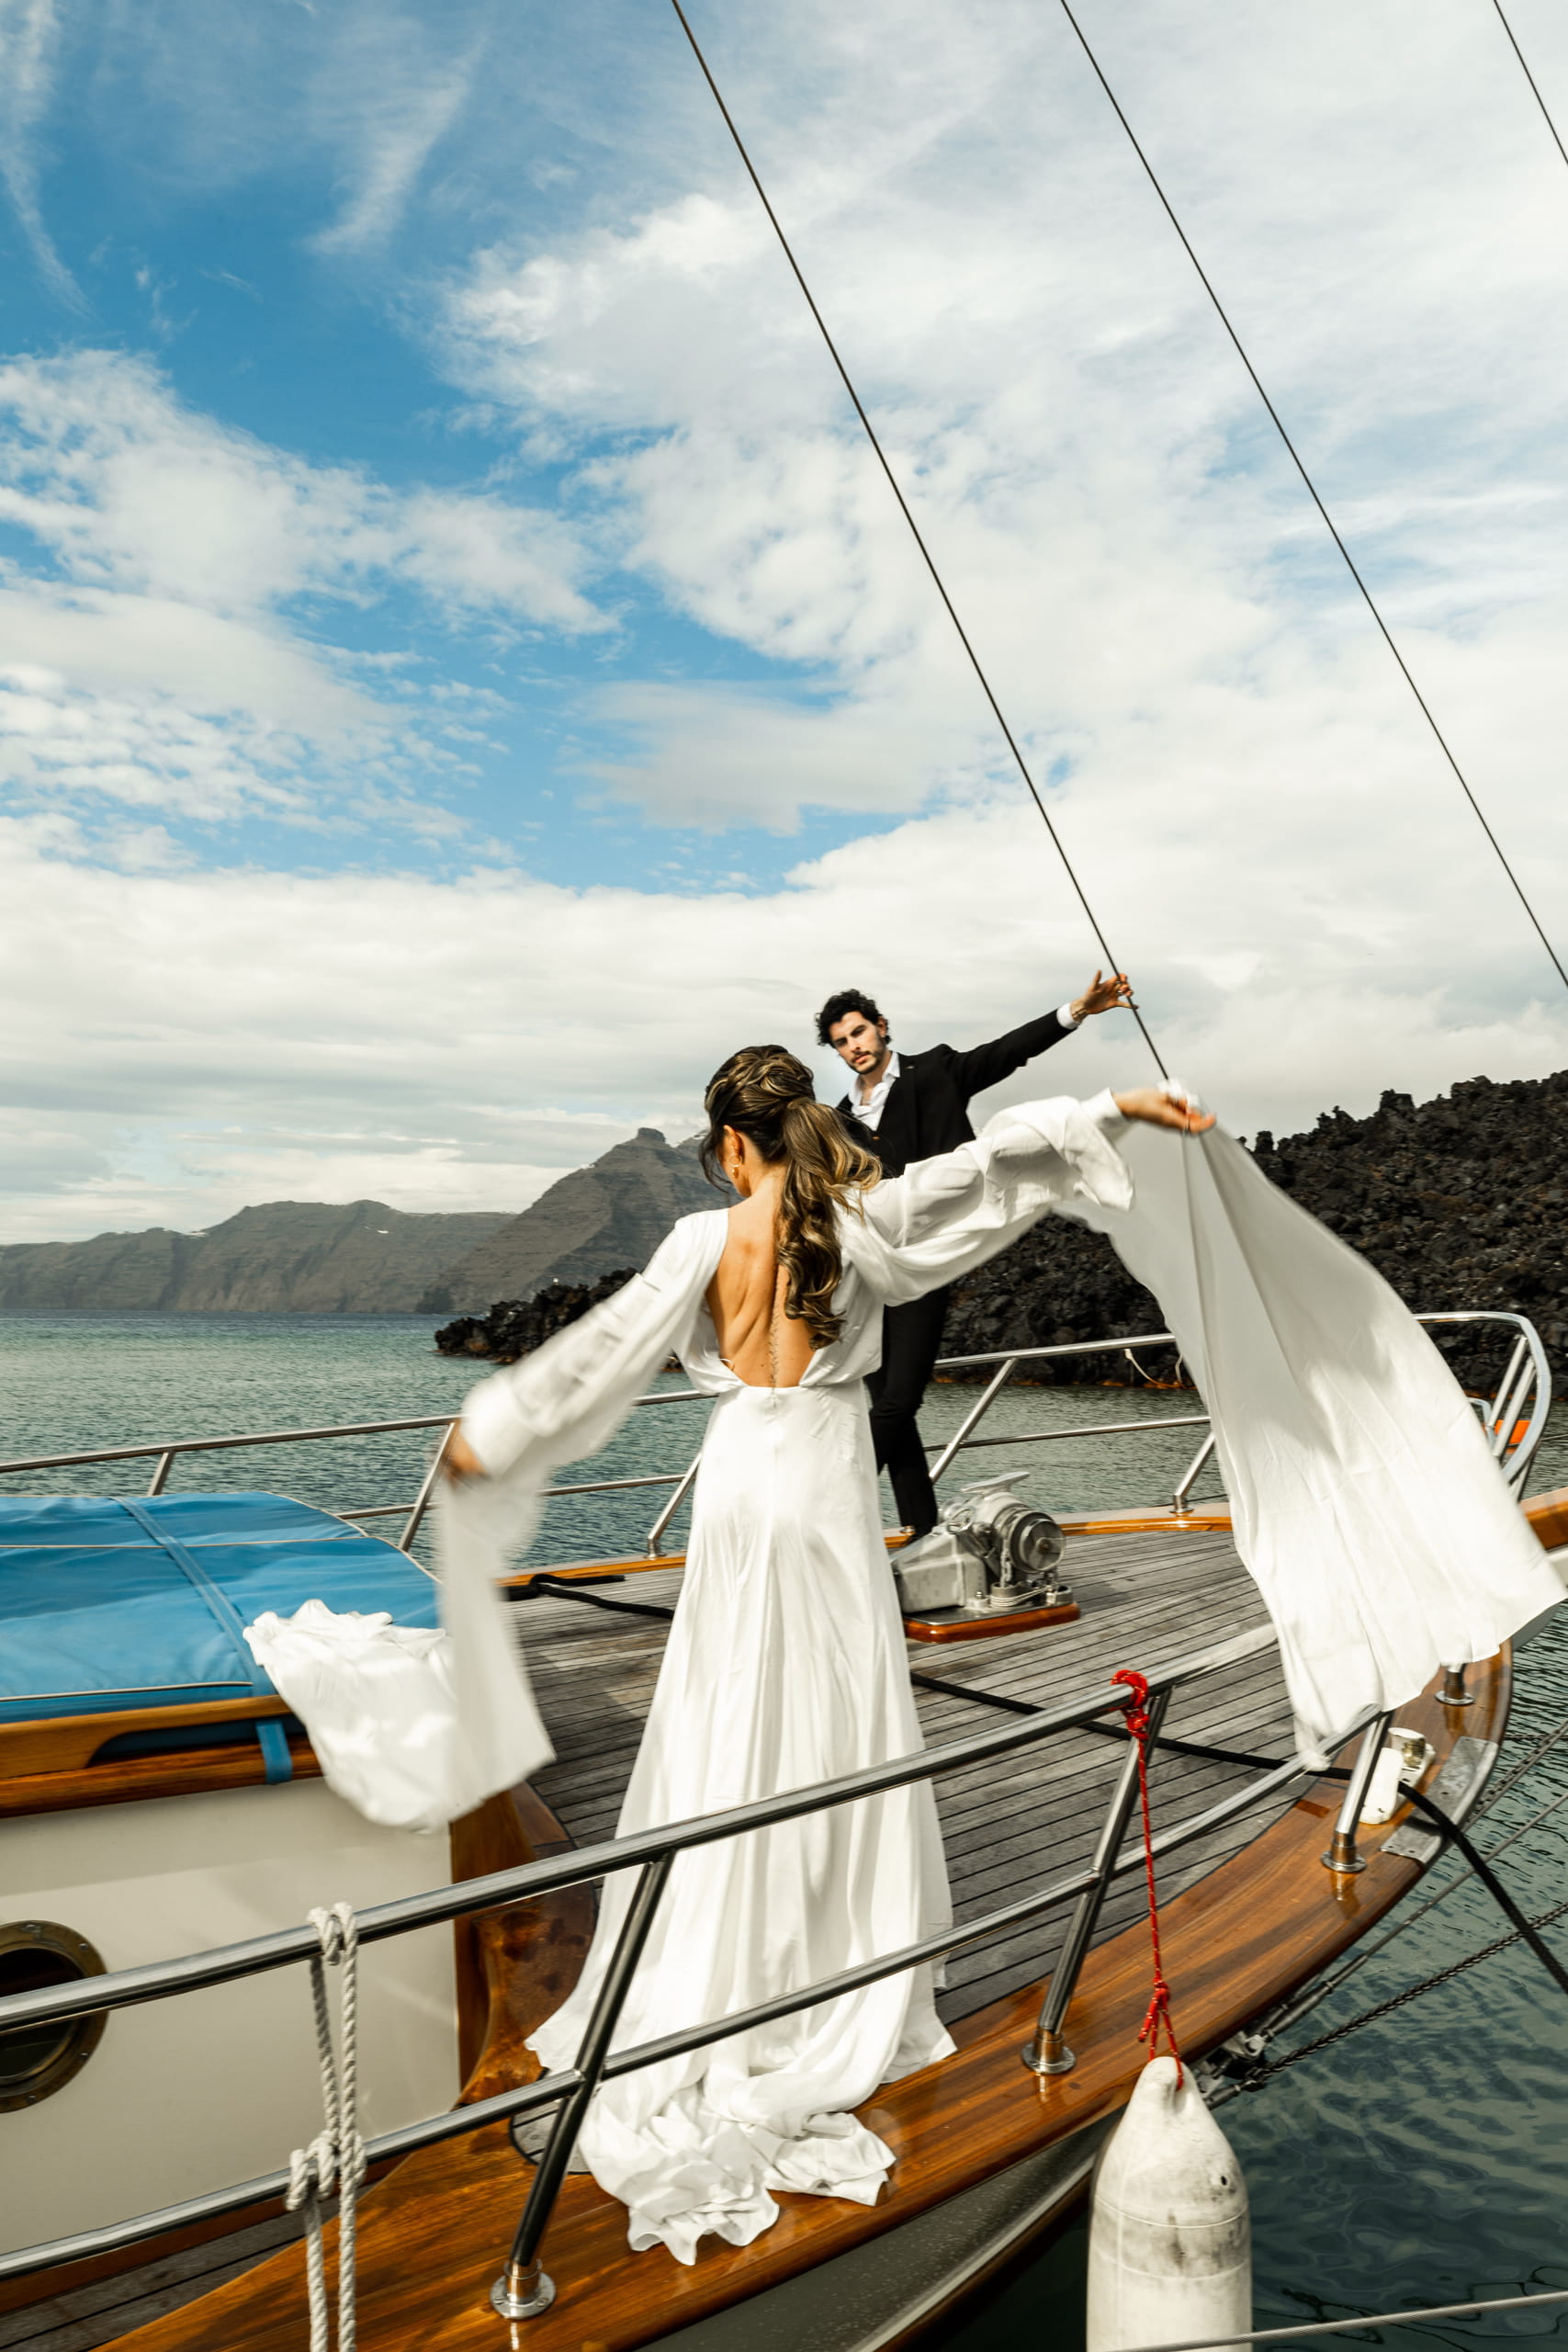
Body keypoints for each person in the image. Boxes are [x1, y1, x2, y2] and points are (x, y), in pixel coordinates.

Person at [441, 1049, 1205, 2264]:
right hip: (826, 1476)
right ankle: (838, 1958)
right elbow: (983, 1173)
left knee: (727, 1705)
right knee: (841, 1709)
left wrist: (493, 1432)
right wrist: (1107, 1108)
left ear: (728, 1145)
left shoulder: (698, 1241)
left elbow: (603, 1351)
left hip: (741, 1475)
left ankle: (717, 1931)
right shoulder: (855, 1226)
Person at [817, 971, 1135, 1535]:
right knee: (896, 1411)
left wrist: (1077, 1010)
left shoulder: (935, 1072)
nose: (855, 1048)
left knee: (897, 1404)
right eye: (843, 1042)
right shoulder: (838, 1120)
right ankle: (922, 1532)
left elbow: (1004, 1054)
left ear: (882, 1028)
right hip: (868, 1270)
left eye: (860, 1033)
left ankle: (822, 1507)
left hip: (930, 1262)